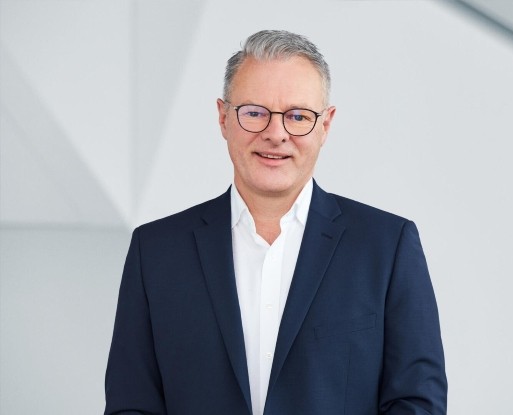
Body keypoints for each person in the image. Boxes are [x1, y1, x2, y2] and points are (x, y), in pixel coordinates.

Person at [105, 29, 447, 415]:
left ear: (325, 125)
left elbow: (417, 403)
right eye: (255, 113)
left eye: (298, 116)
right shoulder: (156, 251)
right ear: (223, 118)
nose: (276, 134)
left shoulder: (386, 246)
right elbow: (131, 404)